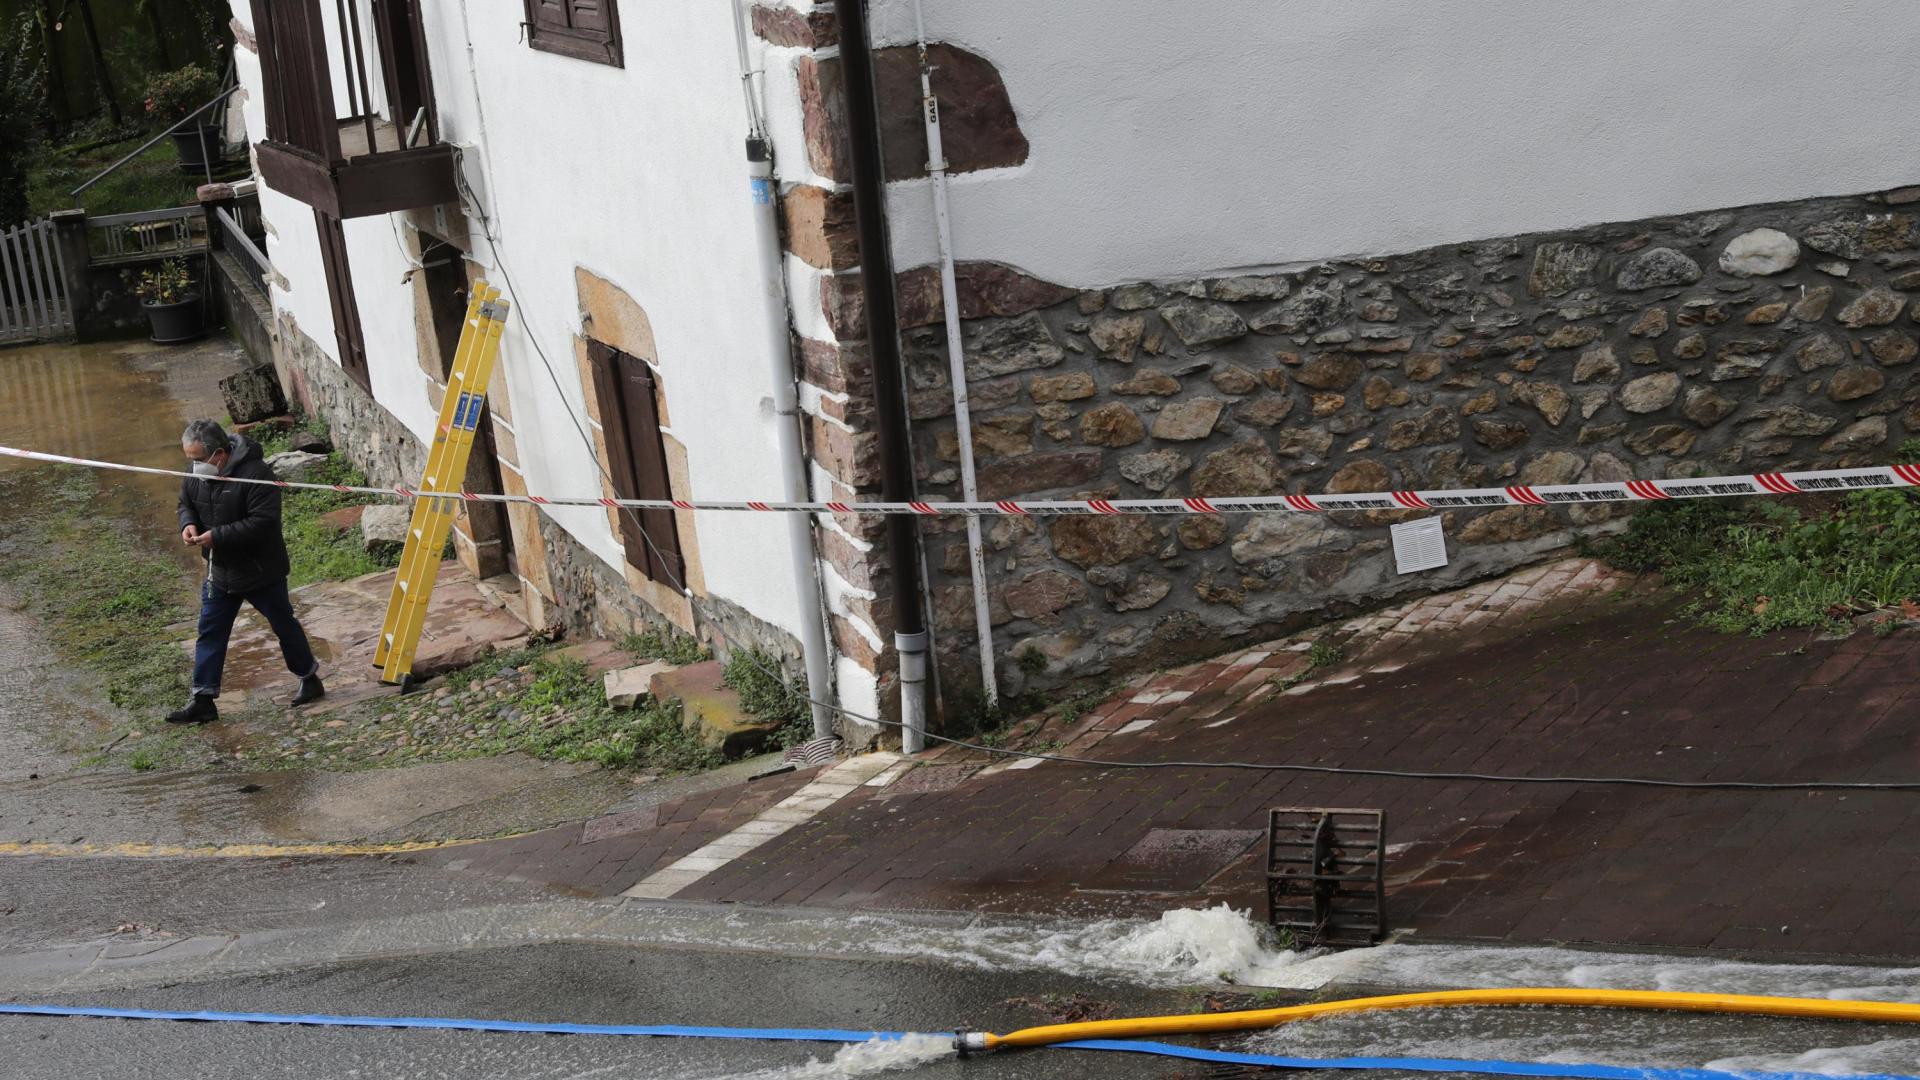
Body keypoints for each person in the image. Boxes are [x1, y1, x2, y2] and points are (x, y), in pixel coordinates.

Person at [167, 418, 324, 724]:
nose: (194, 467)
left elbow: (263, 522)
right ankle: (203, 699)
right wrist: (188, 524)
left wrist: (217, 536)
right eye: (190, 460)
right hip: (219, 571)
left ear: (220, 455)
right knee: (210, 632)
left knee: (283, 625)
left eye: (198, 460)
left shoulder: (257, 476)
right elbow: (185, 503)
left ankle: (309, 677)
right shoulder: (195, 474)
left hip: (260, 570)